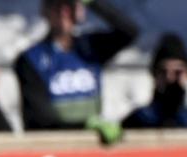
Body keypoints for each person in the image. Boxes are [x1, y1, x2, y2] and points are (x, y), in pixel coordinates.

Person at [14, 0, 138, 134]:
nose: (63, 13)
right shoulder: (32, 58)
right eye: (57, 7)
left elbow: (129, 31)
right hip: (54, 145)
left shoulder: (90, 48)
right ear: (45, 11)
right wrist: (85, 126)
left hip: (90, 143)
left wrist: (93, 3)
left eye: (69, 7)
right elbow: (40, 118)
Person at [122, 33, 187, 129]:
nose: (170, 78)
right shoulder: (139, 119)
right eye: (163, 72)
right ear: (154, 75)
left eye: (178, 72)